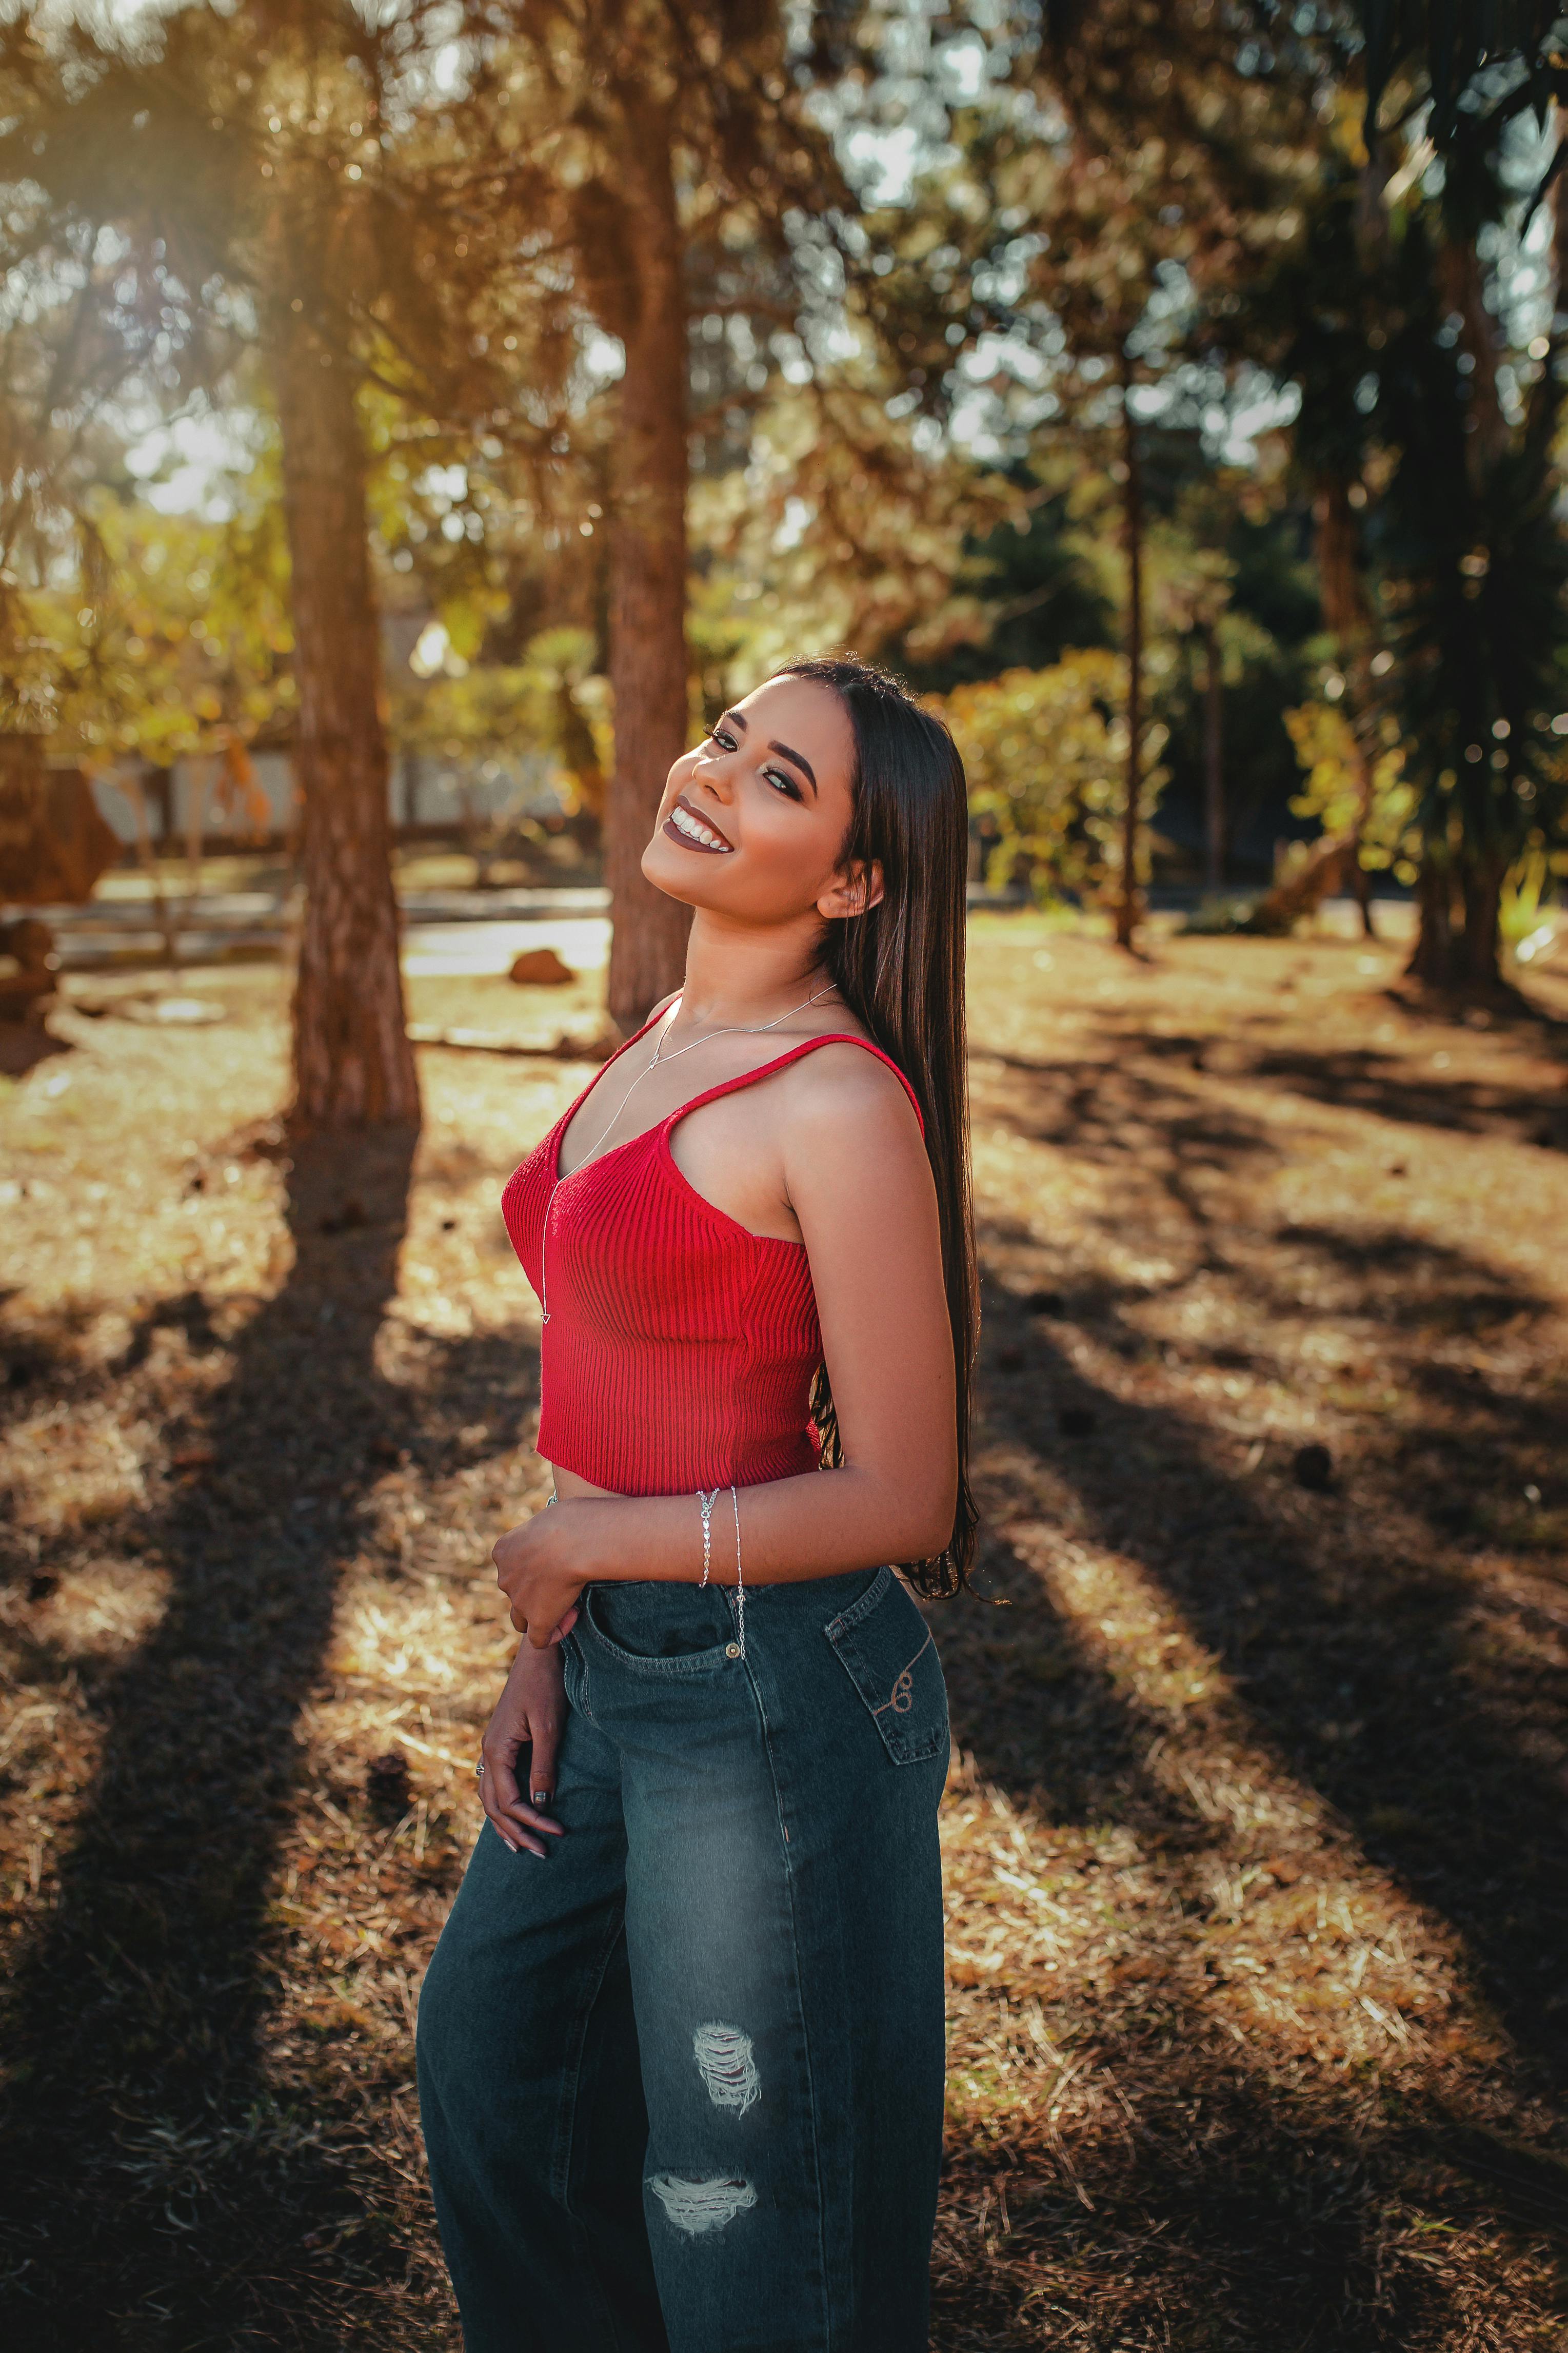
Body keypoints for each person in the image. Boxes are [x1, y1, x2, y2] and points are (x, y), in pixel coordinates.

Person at [416, 654, 979, 2353]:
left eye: (780, 781)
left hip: (767, 1697)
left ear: (856, 879)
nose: (715, 773)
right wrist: (553, 1637)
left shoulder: (832, 1100)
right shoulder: (664, 1032)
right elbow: (616, 1361)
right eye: (729, 737)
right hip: (607, 1670)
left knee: (744, 2212)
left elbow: (905, 1491)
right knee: (498, 2076)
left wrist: (587, 1545)